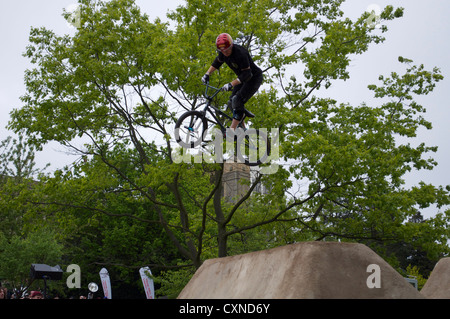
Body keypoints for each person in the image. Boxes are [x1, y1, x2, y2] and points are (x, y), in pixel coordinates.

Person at [202, 33, 263, 130]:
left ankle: (231, 130)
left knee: (237, 100)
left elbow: (247, 74)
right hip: (242, 79)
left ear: (231, 46)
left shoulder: (240, 54)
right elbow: (217, 62)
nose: (225, 53)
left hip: (253, 78)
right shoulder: (223, 53)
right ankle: (242, 128)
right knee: (231, 103)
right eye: (222, 51)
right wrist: (207, 74)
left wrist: (231, 84)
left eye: (227, 50)